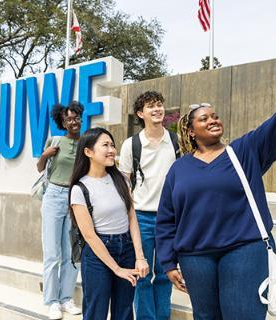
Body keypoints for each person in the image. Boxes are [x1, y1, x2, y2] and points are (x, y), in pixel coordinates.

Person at [155, 51, 276, 320]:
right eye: (204, 118)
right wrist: (167, 262)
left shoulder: (244, 151)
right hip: (196, 258)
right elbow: (166, 219)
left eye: (215, 116)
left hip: (244, 250)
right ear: (190, 131)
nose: (213, 120)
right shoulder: (179, 169)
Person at [69, 127, 149, 320]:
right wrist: (116, 269)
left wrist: (140, 256)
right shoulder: (80, 189)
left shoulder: (121, 179)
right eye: (105, 145)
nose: (112, 149)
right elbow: (89, 235)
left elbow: (132, 218)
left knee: (124, 312)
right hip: (98, 253)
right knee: (97, 311)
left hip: (127, 248)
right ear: (88, 152)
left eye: (112, 144)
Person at [119, 91, 176, 320]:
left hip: (169, 218)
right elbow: (124, 183)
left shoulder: (175, 140)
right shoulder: (131, 145)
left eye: (160, 104)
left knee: (165, 275)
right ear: (140, 113)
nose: (157, 109)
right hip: (141, 217)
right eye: (151, 106)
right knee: (142, 275)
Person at [37, 101, 84, 320]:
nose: (73, 122)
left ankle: (66, 298)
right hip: (54, 196)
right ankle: (52, 301)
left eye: (76, 117)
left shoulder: (86, 143)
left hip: (75, 199)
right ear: (62, 122)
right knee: (52, 253)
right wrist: (45, 154)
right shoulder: (56, 141)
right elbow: (39, 168)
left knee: (71, 253)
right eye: (68, 119)